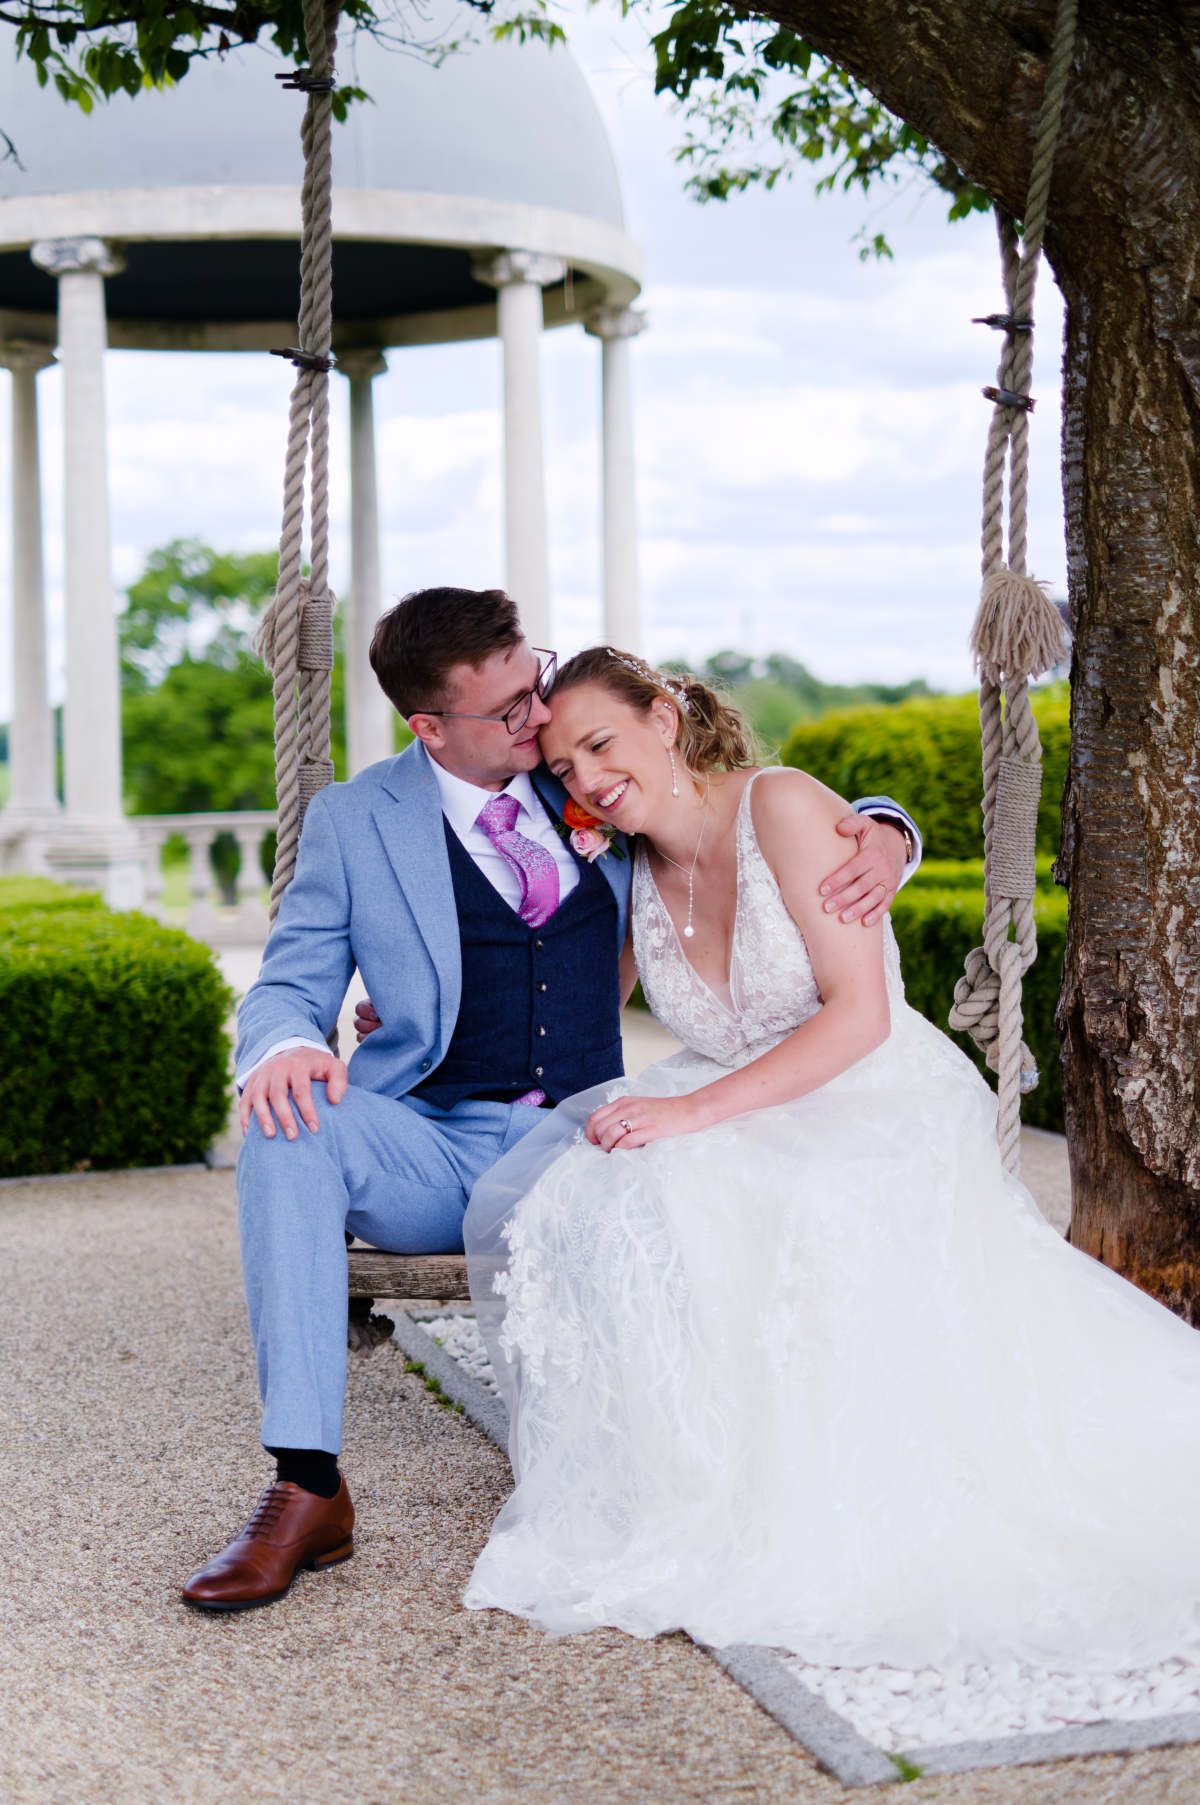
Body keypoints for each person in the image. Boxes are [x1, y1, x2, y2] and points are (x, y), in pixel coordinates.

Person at [461, 647, 1200, 1675]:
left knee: (739, 1188)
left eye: (600, 742)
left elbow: (860, 1015)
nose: (585, 777)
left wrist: (699, 1112)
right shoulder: (625, 869)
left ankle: (806, 1488)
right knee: (586, 1186)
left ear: (666, 718)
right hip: (734, 1090)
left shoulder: (788, 811)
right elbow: (553, 1002)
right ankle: (684, 1476)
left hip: (865, 1094)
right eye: (564, 765)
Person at [181, 589, 919, 1613]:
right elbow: (289, 979)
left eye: (537, 684)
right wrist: (290, 1044)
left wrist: (887, 832)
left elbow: (734, 807)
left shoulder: (594, 786)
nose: (542, 723)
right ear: (428, 726)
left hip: (586, 1133)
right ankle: (306, 1483)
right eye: (512, 709)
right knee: (288, 1121)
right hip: (433, 1136)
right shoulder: (356, 818)